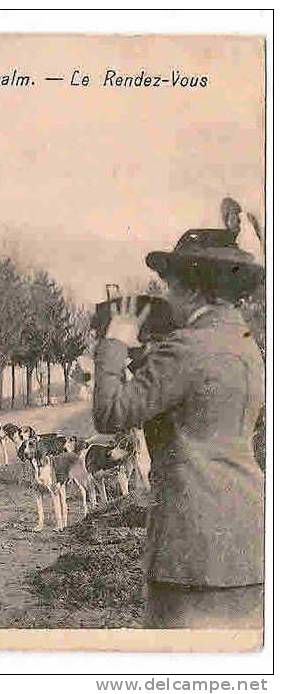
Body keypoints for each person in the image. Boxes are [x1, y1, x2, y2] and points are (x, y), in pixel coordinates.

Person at [92, 209, 265, 629]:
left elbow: (110, 413)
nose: (166, 295)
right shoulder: (245, 346)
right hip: (249, 537)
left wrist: (115, 342)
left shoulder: (187, 348)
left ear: (190, 288)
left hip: (191, 545)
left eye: (170, 284)